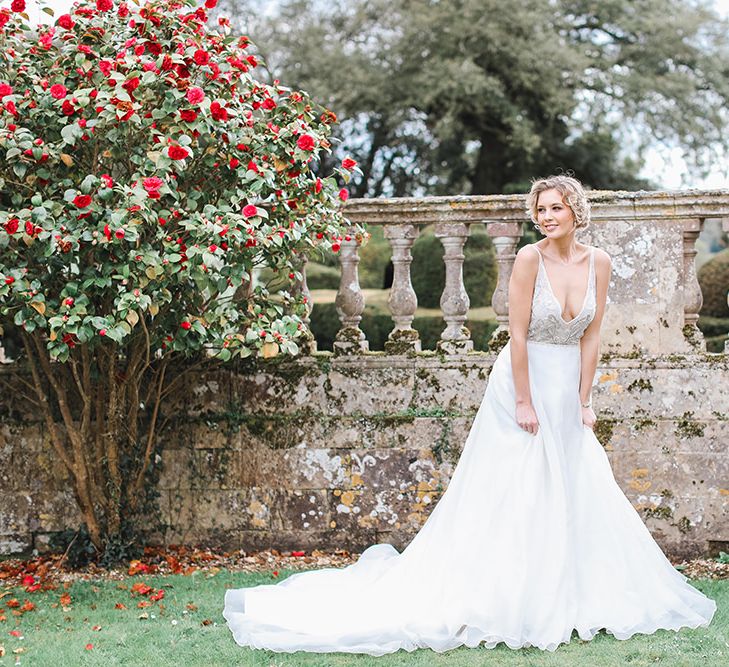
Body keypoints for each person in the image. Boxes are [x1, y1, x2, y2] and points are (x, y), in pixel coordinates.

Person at [223, 175, 716, 655]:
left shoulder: (599, 262)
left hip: (566, 384)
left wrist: (585, 400)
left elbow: (591, 335)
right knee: (518, 485)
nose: (545, 217)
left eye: (555, 208)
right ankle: (509, 592)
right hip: (522, 382)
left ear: (576, 211)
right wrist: (523, 400)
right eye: (539, 209)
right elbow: (517, 335)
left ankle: (577, 589)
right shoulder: (528, 258)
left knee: (575, 477)